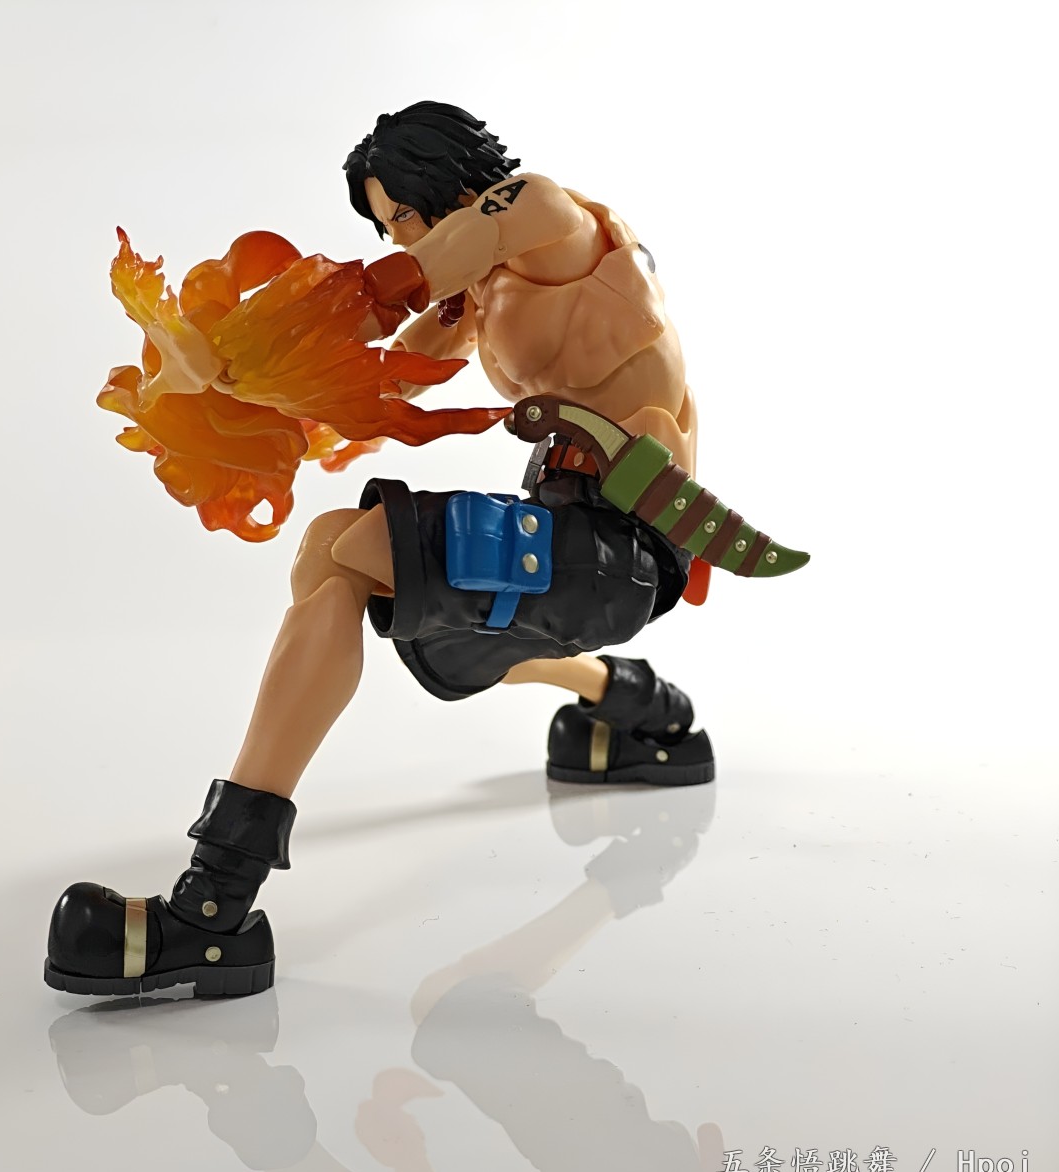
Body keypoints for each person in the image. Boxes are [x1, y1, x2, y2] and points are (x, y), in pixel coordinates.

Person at [45, 102, 714, 1000]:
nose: (398, 233)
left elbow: (385, 292)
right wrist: (228, 399)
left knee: (357, 554)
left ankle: (213, 908)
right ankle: (634, 706)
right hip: (570, 534)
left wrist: (252, 334)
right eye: (386, 222)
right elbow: (376, 374)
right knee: (339, 558)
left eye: (400, 211)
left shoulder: (542, 211)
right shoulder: (479, 297)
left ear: (446, 180)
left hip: (624, 544)